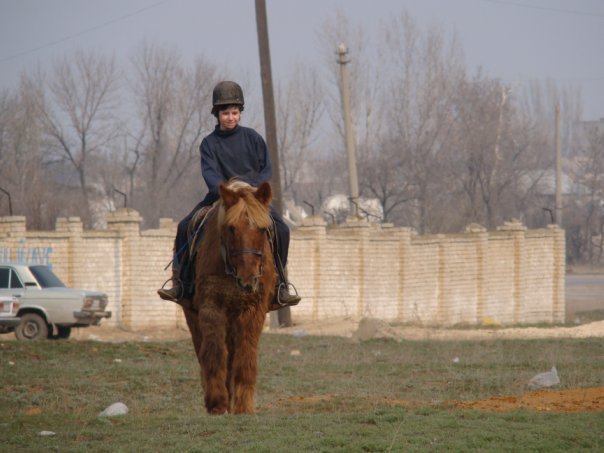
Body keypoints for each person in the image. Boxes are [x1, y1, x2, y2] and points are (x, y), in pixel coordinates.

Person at [158, 80, 301, 309]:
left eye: (234, 112)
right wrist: (227, 191)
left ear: (240, 113)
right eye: (226, 113)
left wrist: (250, 189)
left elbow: (266, 171)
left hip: (252, 199)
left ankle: (281, 284)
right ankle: (182, 283)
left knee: (282, 229)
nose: (230, 117)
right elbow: (210, 174)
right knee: (185, 226)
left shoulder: (253, 138)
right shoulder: (209, 144)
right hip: (222, 197)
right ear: (217, 114)